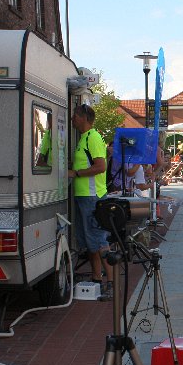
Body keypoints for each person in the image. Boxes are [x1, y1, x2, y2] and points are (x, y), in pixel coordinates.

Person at [69, 104, 113, 298]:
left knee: (98, 239)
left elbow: (101, 166)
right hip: (84, 196)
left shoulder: (93, 137)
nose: (72, 118)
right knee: (90, 241)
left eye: (75, 116)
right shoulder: (83, 138)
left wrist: (76, 173)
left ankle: (111, 282)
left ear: (84, 118)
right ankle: (97, 279)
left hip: (92, 197)